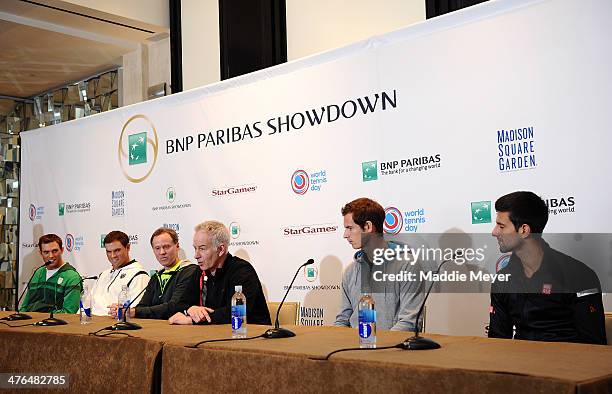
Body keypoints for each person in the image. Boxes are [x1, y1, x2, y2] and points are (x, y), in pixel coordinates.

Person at [489, 191, 607, 344]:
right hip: (519, 364)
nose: (494, 232)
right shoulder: (502, 280)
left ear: (524, 230)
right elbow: (497, 342)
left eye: (501, 226)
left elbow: (594, 346)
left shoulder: (579, 275)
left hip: (569, 365)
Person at [334, 198, 424, 331]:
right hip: (352, 348)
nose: (345, 235)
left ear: (368, 227)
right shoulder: (350, 271)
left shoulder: (407, 265)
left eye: (350, 228)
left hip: (391, 350)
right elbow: (342, 320)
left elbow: (409, 323)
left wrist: (376, 348)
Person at [169, 221, 271, 325]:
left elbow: (236, 313)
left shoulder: (242, 271)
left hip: (250, 335)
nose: (196, 255)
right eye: (195, 248)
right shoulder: (200, 271)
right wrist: (190, 309)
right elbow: (181, 304)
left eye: (202, 248)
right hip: (214, 334)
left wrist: (193, 320)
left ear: (221, 249)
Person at [110, 228, 199, 320]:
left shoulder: (189, 271)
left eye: (166, 247)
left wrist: (133, 311)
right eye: (157, 248)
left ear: (177, 246)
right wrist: (125, 310)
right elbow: (142, 306)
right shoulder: (156, 277)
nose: (162, 252)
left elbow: (174, 307)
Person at [90, 231, 149, 316]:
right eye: (109, 251)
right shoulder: (103, 274)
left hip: (114, 326)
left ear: (128, 247)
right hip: (90, 323)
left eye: (117, 250)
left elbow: (133, 311)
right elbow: (88, 303)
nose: (113, 255)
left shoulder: (139, 275)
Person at [21, 234, 82, 313]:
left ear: (62, 250)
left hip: (55, 324)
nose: (51, 256)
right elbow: (25, 306)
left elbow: (69, 312)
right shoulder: (38, 272)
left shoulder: (71, 276)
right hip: (30, 322)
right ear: (40, 253)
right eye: (46, 252)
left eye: (55, 251)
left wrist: (39, 318)